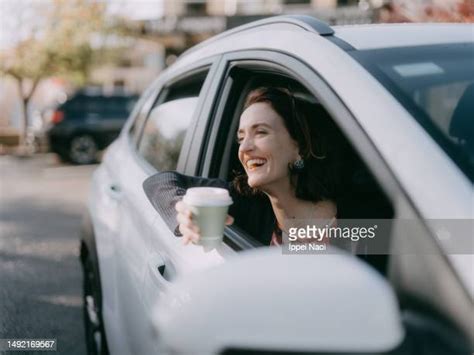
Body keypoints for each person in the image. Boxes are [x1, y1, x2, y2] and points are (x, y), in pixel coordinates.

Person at [143, 87, 345, 246]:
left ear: (298, 146)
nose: (245, 148)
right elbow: (159, 182)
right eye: (241, 138)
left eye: (261, 132)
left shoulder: (362, 216)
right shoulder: (243, 202)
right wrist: (185, 211)